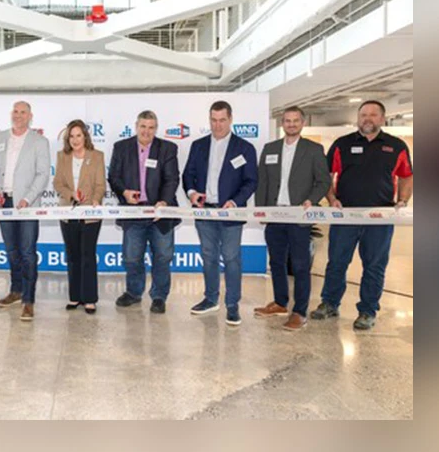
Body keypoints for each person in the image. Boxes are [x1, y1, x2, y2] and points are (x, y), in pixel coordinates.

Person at [311, 100, 413, 330]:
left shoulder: (396, 146)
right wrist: (332, 199)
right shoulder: (342, 144)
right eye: (363, 114)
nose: (368, 119)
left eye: (373, 115)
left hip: (380, 217)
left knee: (374, 265)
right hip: (346, 215)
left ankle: (367, 310)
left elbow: (407, 176)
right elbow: (327, 176)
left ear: (383, 119)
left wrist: (403, 200)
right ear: (358, 118)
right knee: (336, 262)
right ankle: (329, 303)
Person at [253, 106, 330, 331]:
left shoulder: (314, 150)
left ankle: (299, 312)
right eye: (287, 121)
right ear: (282, 124)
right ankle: (279, 303)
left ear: (302, 123)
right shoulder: (270, 149)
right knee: (276, 262)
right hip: (275, 215)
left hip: (299, 215)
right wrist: (262, 210)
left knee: (300, 265)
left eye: (296, 121)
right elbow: (263, 182)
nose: (291, 124)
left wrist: (311, 200)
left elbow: (323, 182)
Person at [182, 100, 258, 325]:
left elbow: (251, 181)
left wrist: (235, 202)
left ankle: (232, 305)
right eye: (213, 120)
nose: (217, 125)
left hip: (231, 214)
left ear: (230, 120)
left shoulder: (244, 148)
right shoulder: (198, 146)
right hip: (205, 212)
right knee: (208, 257)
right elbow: (188, 175)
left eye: (222, 120)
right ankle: (210, 299)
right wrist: (192, 193)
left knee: (232, 259)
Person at [109, 110, 181, 314]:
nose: (146, 131)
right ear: (136, 126)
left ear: (156, 128)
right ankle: (133, 292)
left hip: (160, 213)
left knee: (163, 257)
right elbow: (113, 177)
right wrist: (124, 192)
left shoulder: (167, 148)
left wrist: (164, 202)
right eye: (143, 126)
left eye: (151, 127)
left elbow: (172, 179)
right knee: (131, 257)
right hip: (133, 212)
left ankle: (159, 296)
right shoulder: (121, 147)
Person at [0, 101, 51, 322]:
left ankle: (29, 300)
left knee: (28, 252)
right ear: (11, 113)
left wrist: (27, 199)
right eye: (15, 111)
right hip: (4, 202)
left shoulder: (39, 141)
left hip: (27, 206)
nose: (19, 115)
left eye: (23, 112)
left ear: (30, 116)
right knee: (12, 250)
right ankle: (16, 290)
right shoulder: (0, 138)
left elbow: (43, 174)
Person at [52, 120, 107, 314]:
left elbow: (101, 185)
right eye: (71, 136)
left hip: (91, 213)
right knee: (73, 255)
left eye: (78, 135)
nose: (75, 140)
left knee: (88, 255)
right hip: (68, 212)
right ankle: (75, 297)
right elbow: (57, 183)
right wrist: (70, 194)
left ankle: (90, 298)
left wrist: (96, 199)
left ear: (85, 136)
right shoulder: (62, 156)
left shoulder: (97, 156)